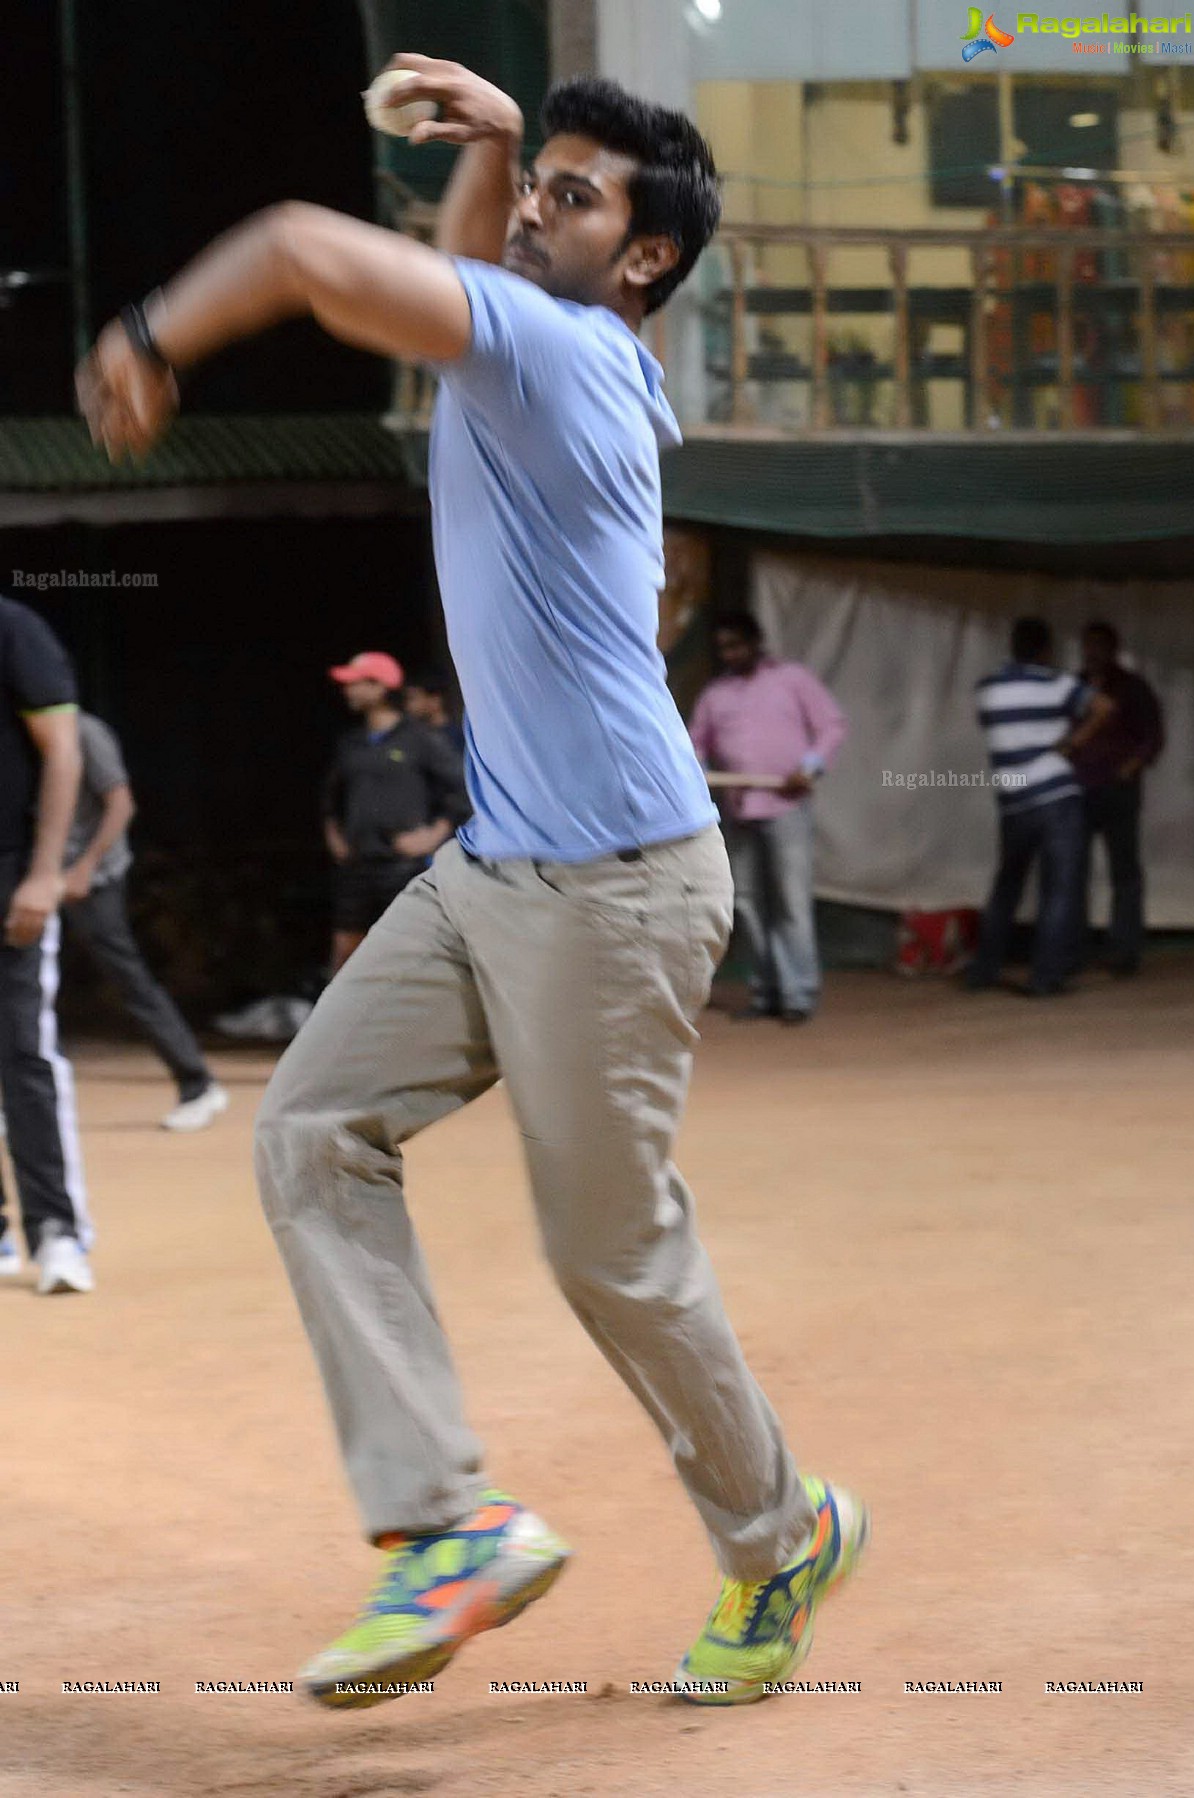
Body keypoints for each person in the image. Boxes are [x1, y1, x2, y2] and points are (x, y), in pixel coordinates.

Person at [76, 59, 868, 1708]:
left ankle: (780, 1529)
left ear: (640, 258)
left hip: (619, 882)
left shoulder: (561, 355)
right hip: (499, 860)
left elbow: (305, 249)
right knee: (308, 1128)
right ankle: (447, 1525)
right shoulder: (553, 345)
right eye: (534, 189)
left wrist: (146, 336)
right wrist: (504, 144)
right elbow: (442, 293)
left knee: (610, 1253)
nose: (527, 216)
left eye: (572, 198)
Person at [60, 711, 228, 1130]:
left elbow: (121, 804)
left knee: (128, 980)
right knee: (18, 984)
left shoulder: (85, 731)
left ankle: (198, 1084)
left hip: (94, 879)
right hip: (40, 879)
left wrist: (86, 866)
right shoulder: (19, 731)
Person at [0, 596, 94, 1292]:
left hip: (11, 879)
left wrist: (43, 872)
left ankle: (58, 1232)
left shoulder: (14, 628)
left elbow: (63, 750)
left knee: (23, 1055)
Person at [689, 611, 847, 1023]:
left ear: (756, 642)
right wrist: (699, 769)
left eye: (737, 645)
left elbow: (831, 725)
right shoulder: (715, 695)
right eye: (724, 648)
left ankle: (798, 995)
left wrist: (810, 767)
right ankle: (765, 993)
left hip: (786, 805)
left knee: (791, 903)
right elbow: (695, 744)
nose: (731, 654)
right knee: (746, 903)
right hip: (739, 807)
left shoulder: (792, 680)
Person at [968, 616, 1112, 997]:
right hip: (1055, 796)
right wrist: (1071, 742)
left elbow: (992, 725)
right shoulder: (1057, 683)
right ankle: (1045, 977)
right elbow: (1103, 708)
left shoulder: (987, 688)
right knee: (1059, 889)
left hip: (1013, 799)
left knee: (1006, 887)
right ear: (1047, 650)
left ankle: (983, 970)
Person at [322, 650, 470, 972]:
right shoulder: (351, 744)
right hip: (358, 863)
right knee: (346, 949)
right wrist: (334, 834)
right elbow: (331, 799)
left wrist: (433, 834)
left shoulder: (420, 739)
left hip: (403, 865)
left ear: (380, 687)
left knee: (415, 949)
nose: (349, 691)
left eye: (356, 683)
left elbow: (462, 791)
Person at [1072, 621, 1165, 977]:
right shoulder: (1074, 686)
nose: (1093, 652)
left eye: (1100, 645)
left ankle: (1124, 952)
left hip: (1119, 791)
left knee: (1124, 873)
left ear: (1113, 649)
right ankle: (1073, 950)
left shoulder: (1132, 687)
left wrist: (1133, 765)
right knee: (1073, 871)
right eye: (1088, 645)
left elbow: (1153, 735)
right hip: (1079, 790)